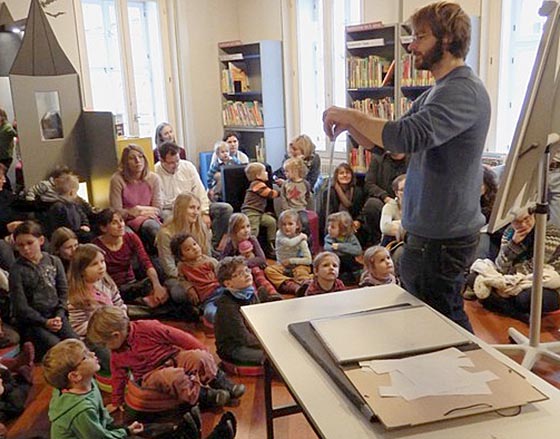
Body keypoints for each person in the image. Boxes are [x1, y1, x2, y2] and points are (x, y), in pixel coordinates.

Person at [323, 1, 491, 331]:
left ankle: (462, 380)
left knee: (443, 323)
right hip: (428, 234)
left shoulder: (462, 91)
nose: (411, 45)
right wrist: (351, 127)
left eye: (420, 37)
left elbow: (404, 137)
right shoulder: (438, 92)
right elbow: (391, 146)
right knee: (431, 319)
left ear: (446, 40)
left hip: (442, 238)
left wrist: (351, 115)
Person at [86, 305, 245, 412]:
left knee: (199, 357)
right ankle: (206, 396)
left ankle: (221, 382)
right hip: (150, 375)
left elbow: (179, 337)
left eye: (105, 343)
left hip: (173, 356)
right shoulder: (117, 356)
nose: (106, 348)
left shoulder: (148, 328)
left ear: (116, 335)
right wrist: (116, 401)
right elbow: (118, 378)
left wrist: (203, 351)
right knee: (173, 377)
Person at [9, 221, 78, 359]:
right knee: (59, 348)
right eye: (21, 245)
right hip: (34, 323)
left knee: (76, 345)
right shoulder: (16, 270)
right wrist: (44, 322)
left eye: (30, 243)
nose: (26, 249)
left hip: (56, 316)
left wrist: (59, 315)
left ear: (40, 240)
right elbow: (20, 306)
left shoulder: (54, 261)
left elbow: (63, 292)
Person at [154, 141, 232, 247]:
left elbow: (200, 191)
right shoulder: (155, 172)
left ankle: (212, 246)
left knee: (225, 209)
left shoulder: (188, 166)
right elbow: (162, 202)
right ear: (162, 160)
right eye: (171, 163)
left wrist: (204, 212)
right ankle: (183, 249)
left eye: (177, 161)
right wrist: (185, 209)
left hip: (195, 205)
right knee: (169, 218)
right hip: (172, 209)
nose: (176, 165)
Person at [93, 208, 169, 310]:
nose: (121, 225)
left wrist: (157, 285)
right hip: (112, 288)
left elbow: (145, 262)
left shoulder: (131, 237)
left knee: (159, 286)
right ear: (103, 228)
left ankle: (140, 305)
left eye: (121, 221)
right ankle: (140, 306)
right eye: (114, 223)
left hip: (133, 285)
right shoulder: (95, 246)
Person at [67, 244, 126, 372]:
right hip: (95, 338)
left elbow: (119, 303)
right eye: (94, 264)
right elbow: (78, 326)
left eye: (102, 261)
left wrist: (122, 318)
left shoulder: (106, 282)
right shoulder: (76, 296)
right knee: (112, 359)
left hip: (117, 328)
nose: (101, 266)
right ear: (81, 270)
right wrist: (103, 327)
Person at [109, 144, 163, 254]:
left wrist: (138, 210)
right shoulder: (117, 180)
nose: (137, 161)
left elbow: (157, 208)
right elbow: (116, 211)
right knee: (150, 227)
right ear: (125, 162)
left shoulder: (153, 178)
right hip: (126, 221)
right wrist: (132, 212)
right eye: (132, 158)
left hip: (150, 217)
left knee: (154, 225)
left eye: (140, 156)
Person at [214, 256, 266, 365]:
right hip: (234, 348)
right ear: (228, 284)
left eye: (247, 270)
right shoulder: (227, 305)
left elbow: (258, 320)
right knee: (272, 358)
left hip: (251, 339)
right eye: (240, 273)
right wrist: (266, 343)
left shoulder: (249, 292)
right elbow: (242, 337)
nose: (247, 274)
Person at [170, 233, 222, 325]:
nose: (194, 248)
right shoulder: (182, 267)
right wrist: (189, 288)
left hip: (220, 291)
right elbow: (181, 279)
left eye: (194, 244)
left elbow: (222, 275)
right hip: (207, 299)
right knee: (209, 314)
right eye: (188, 249)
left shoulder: (210, 262)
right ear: (182, 256)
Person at [360, 152, 408, 245]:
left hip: (409, 199)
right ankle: (376, 241)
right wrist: (385, 197)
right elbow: (369, 184)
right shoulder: (378, 158)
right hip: (384, 199)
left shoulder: (413, 159)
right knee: (371, 205)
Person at [264, 209, 313, 295]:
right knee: (269, 270)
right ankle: (294, 287)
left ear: (297, 225)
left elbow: (308, 260)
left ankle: (307, 285)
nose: (287, 227)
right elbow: (290, 243)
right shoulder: (280, 234)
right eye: (284, 224)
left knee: (302, 271)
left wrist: (291, 261)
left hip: (297, 265)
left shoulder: (302, 241)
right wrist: (301, 237)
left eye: (290, 224)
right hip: (282, 265)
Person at [319, 162, 367, 244]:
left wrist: (358, 221)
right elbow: (327, 213)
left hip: (352, 226)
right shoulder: (329, 192)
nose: (345, 175)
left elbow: (362, 210)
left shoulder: (358, 191)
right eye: (341, 173)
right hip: (334, 225)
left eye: (347, 173)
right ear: (336, 176)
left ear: (351, 175)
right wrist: (339, 225)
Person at [241, 162, 278, 257]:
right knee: (253, 230)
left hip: (259, 212)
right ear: (258, 175)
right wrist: (281, 192)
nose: (267, 173)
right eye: (264, 171)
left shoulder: (261, 184)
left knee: (271, 222)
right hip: (251, 211)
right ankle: (247, 248)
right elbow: (269, 194)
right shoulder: (257, 184)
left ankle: (271, 244)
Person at [47, 173, 92, 242]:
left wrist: (85, 225)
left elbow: (83, 217)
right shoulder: (58, 207)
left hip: (78, 233)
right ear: (72, 192)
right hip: (66, 237)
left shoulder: (75, 205)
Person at [323, 211, 363, 284]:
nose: (329, 229)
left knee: (354, 265)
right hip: (336, 262)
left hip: (349, 262)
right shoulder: (328, 238)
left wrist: (340, 246)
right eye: (328, 226)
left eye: (332, 227)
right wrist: (347, 250)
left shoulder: (351, 237)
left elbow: (358, 250)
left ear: (343, 230)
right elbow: (328, 249)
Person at [0, 109, 16, 180]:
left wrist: (15, 127)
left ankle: (8, 190)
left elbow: (18, 135)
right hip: (1, 156)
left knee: (1, 175)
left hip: (5, 157)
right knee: (2, 176)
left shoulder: (7, 128)